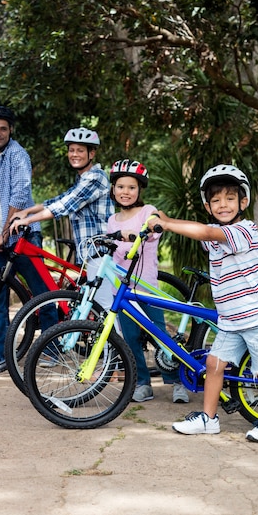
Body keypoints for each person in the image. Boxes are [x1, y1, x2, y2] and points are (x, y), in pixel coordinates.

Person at [156, 164, 258, 443]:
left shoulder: (245, 230)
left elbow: (205, 233)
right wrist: (164, 224)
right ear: (207, 205)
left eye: (229, 198)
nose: (223, 204)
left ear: (243, 201)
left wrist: (167, 222)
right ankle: (209, 419)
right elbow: (204, 232)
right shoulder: (213, 232)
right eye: (216, 200)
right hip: (231, 319)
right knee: (214, 364)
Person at [0, 105, 57, 368]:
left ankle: (52, 350)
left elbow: (19, 197)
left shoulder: (18, 156)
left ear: (10, 131)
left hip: (22, 237)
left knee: (41, 294)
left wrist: (5, 233)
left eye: (3, 129)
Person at [106, 159, 190, 404]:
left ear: (139, 190)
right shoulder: (113, 220)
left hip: (146, 287)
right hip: (121, 289)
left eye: (131, 187)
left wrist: (151, 226)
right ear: (113, 189)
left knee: (159, 335)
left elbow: (155, 222)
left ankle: (176, 381)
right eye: (121, 186)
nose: (125, 192)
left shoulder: (146, 211)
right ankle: (142, 383)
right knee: (130, 339)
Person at [10, 127, 115, 310]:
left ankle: (115, 339)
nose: (74, 154)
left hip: (101, 251)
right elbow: (59, 199)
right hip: (92, 252)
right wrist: (27, 211)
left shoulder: (96, 177)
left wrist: (28, 220)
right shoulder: (83, 178)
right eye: (71, 150)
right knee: (97, 305)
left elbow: (65, 206)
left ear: (91, 153)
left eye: (80, 150)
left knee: (104, 306)